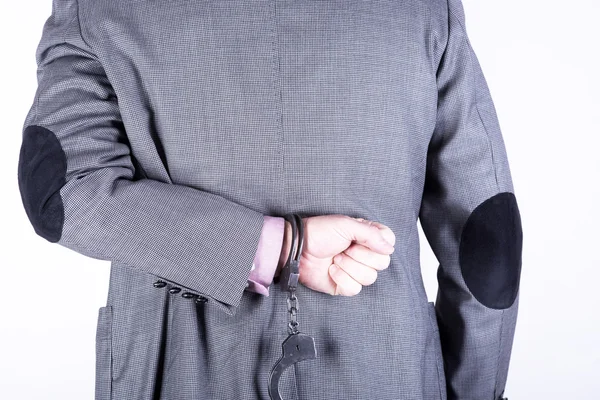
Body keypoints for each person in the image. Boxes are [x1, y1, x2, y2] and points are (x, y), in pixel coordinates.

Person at [17, 0, 522, 399]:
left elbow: (60, 191)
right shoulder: (423, 8)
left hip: (177, 370)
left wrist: (269, 247)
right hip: (386, 371)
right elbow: (490, 241)